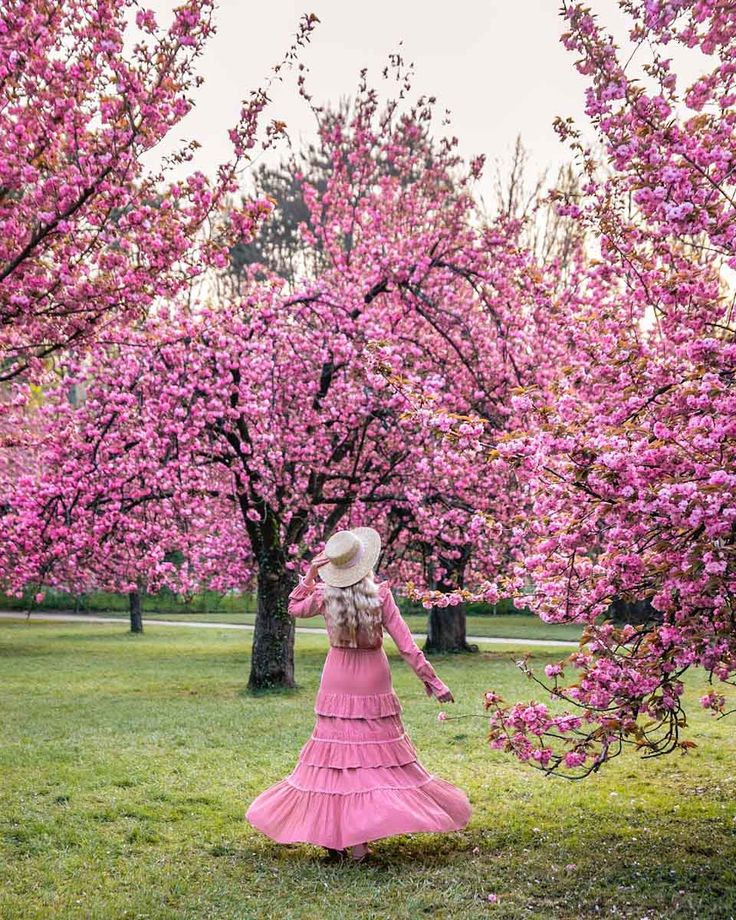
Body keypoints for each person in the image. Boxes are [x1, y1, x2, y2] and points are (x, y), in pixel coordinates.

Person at [245, 526, 472, 863]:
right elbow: (407, 646)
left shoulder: (324, 595)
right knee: (374, 758)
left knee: (335, 761)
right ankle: (359, 845)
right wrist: (433, 682)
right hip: (373, 679)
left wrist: (309, 573)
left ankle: (335, 839)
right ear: (365, 562)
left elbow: (294, 607)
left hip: (337, 677)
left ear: (334, 566)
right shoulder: (380, 596)